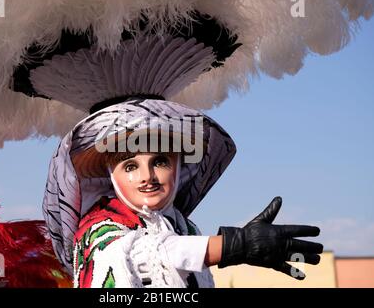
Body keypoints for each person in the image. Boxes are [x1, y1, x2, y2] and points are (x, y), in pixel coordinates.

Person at [43, 96, 323, 288]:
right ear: (111, 174)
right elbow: (149, 254)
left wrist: (229, 248)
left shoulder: (185, 227)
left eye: (161, 161)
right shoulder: (99, 229)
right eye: (130, 166)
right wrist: (235, 245)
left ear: (178, 166)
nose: (147, 177)